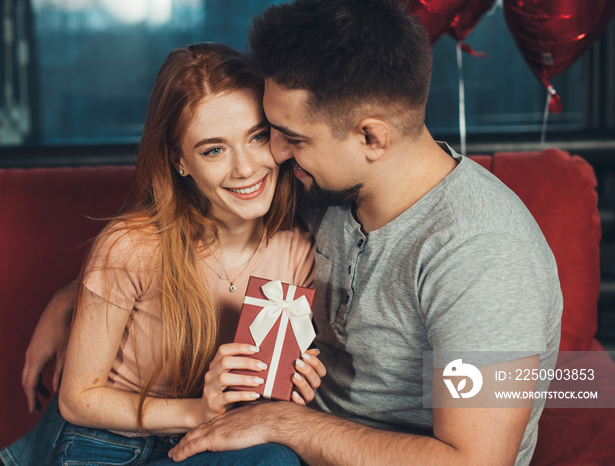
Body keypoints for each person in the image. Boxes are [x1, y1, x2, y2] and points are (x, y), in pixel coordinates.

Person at [165, 1, 562, 465]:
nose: (273, 154)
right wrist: (79, 298)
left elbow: (474, 460)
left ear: (372, 138)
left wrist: (280, 423)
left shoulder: (484, 255)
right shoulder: (326, 189)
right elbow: (206, 237)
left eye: (293, 138)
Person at [1, 42, 325, 466]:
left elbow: (261, 399)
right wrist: (198, 410)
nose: (245, 168)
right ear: (180, 161)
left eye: (257, 137)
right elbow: (78, 399)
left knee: (278, 459)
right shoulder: (132, 245)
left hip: (208, 442)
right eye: (214, 149)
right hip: (108, 443)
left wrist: (294, 389)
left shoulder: (298, 249)